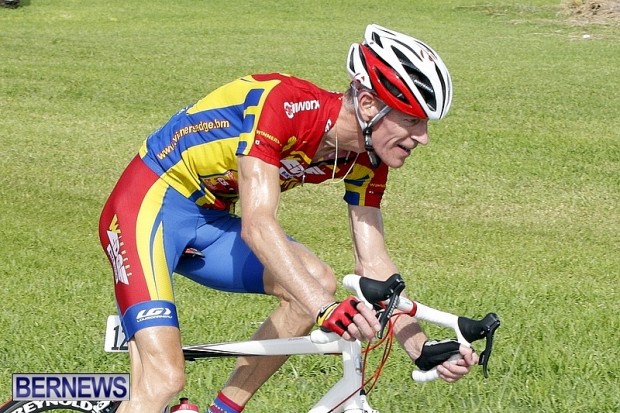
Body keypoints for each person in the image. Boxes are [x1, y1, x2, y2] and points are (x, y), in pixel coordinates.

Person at [98, 24, 479, 413]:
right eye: (412, 120)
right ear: (368, 104)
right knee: (163, 378)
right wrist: (325, 309)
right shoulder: (284, 104)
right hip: (148, 205)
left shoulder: (368, 157)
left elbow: (373, 265)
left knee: (316, 280)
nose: (423, 137)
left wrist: (420, 348)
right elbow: (258, 224)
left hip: (209, 220)